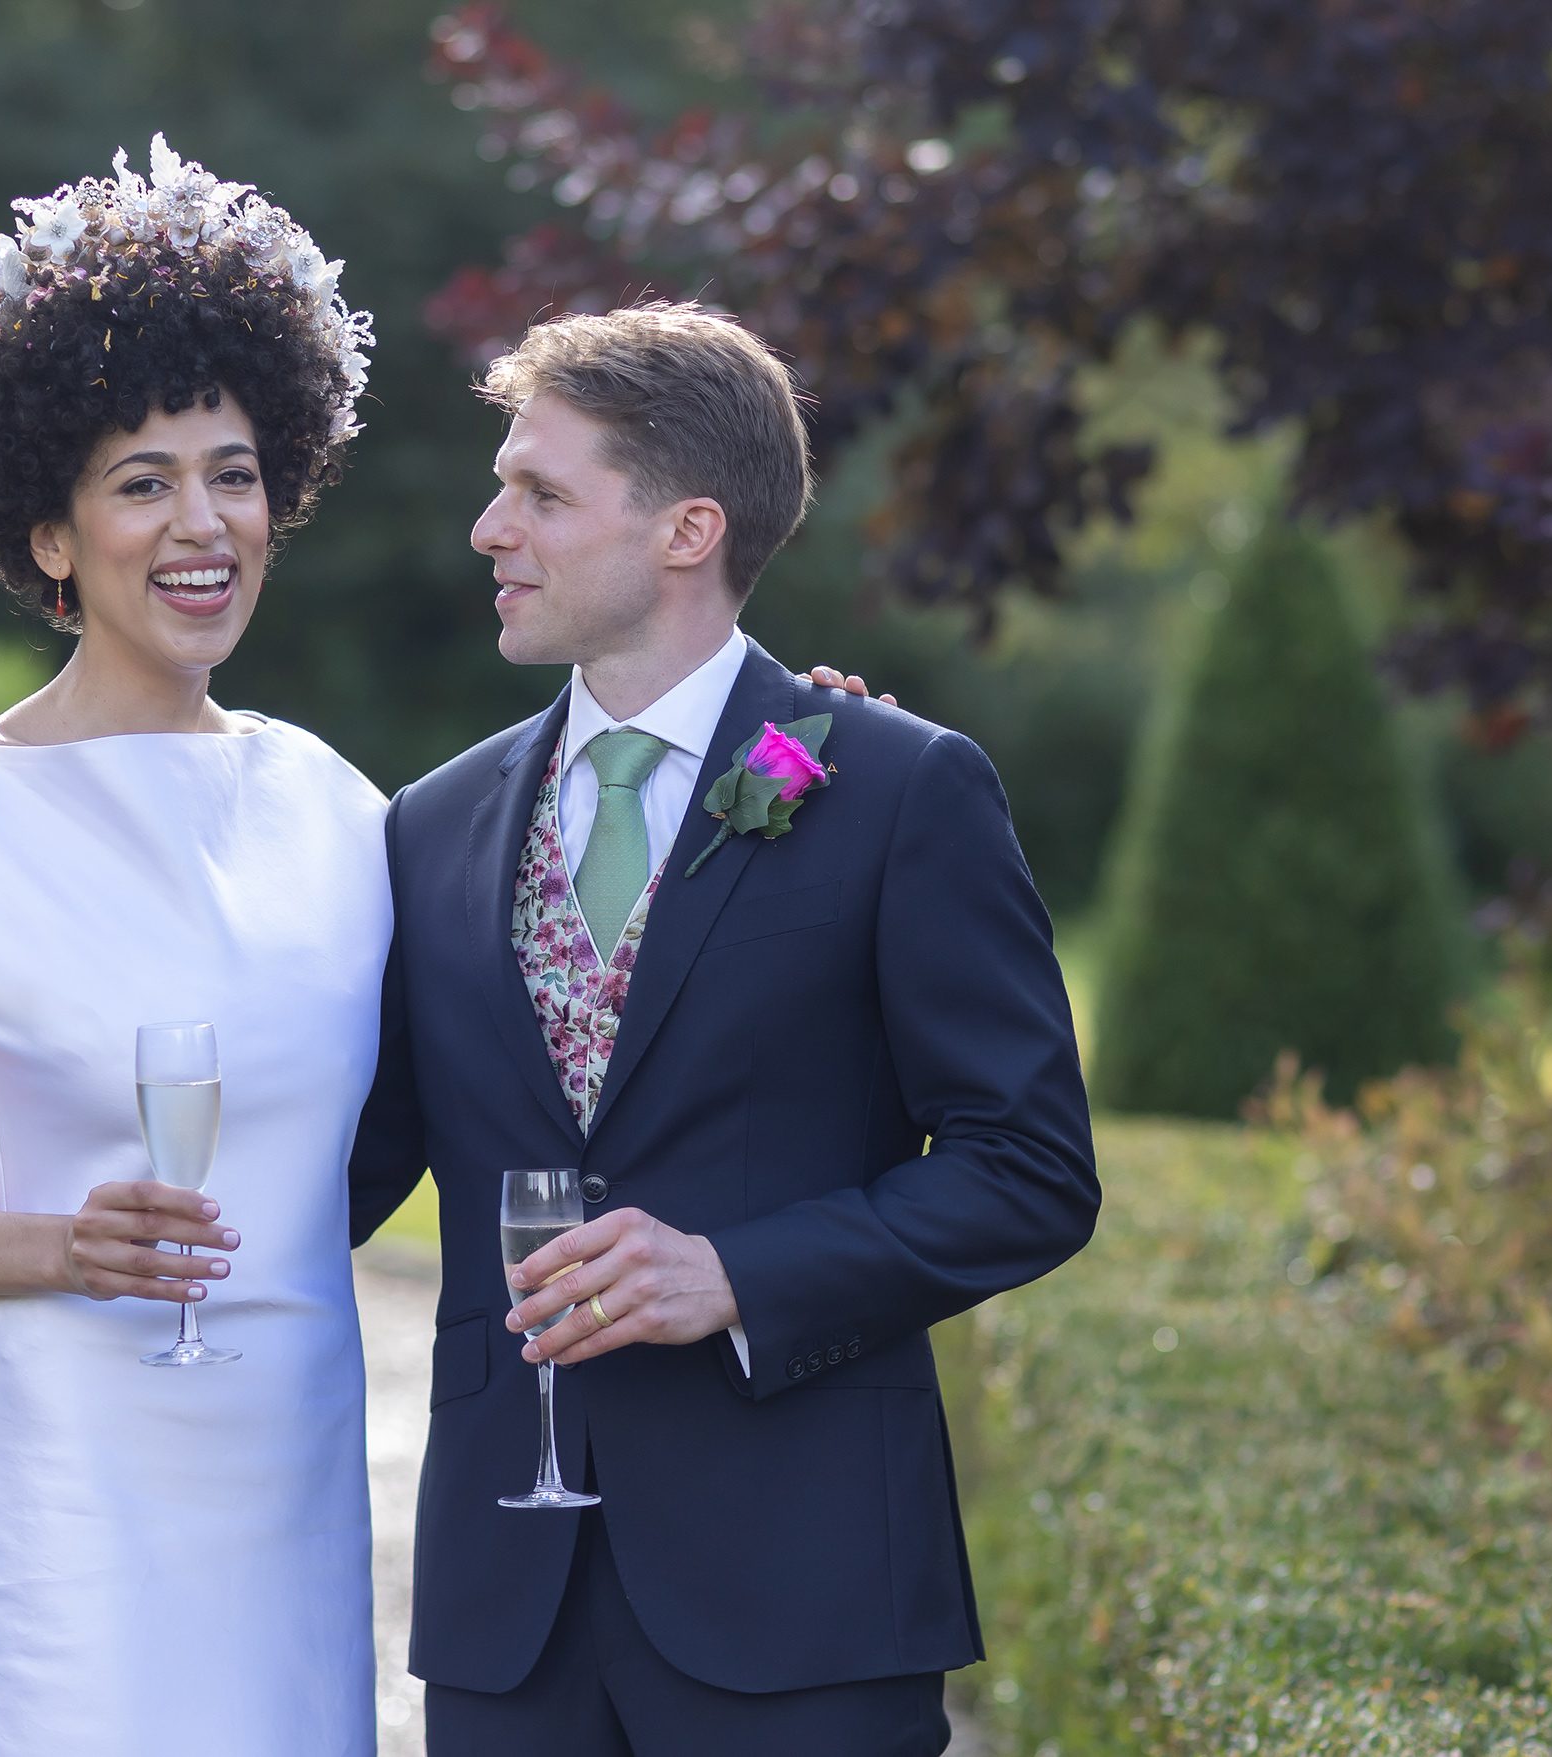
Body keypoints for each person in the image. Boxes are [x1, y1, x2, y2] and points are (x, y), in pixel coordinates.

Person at [342, 304, 1099, 1755]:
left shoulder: (894, 789)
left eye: (541, 493)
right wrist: (46, 1228)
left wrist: (736, 1275)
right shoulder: (428, 827)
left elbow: (1029, 1167)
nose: (490, 529)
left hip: (808, 1600)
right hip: (510, 1615)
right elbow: (345, 1166)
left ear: (689, 528)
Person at [0, 138, 391, 1757]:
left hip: (287, 1489)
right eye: (143, 480)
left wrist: (807, 750)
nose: (203, 524)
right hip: (64, 1493)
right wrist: (41, 1247)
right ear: (47, 531)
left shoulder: (339, 806)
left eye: (235, 471)